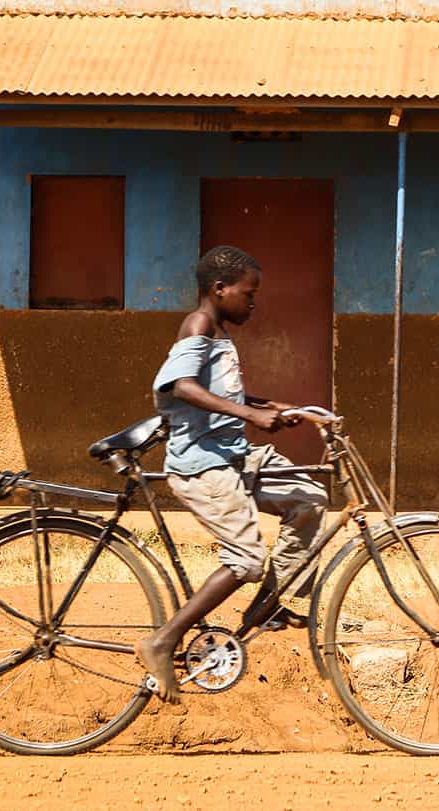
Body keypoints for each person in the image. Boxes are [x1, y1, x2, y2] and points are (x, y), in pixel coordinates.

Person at [136, 244, 327, 702]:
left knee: (309, 498)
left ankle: (273, 604)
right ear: (219, 290)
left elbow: (216, 392)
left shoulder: (217, 331)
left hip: (233, 455)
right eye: (248, 293)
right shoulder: (198, 326)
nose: (254, 302)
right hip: (204, 464)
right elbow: (179, 386)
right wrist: (249, 415)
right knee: (245, 560)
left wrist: (269, 407)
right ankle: (162, 641)